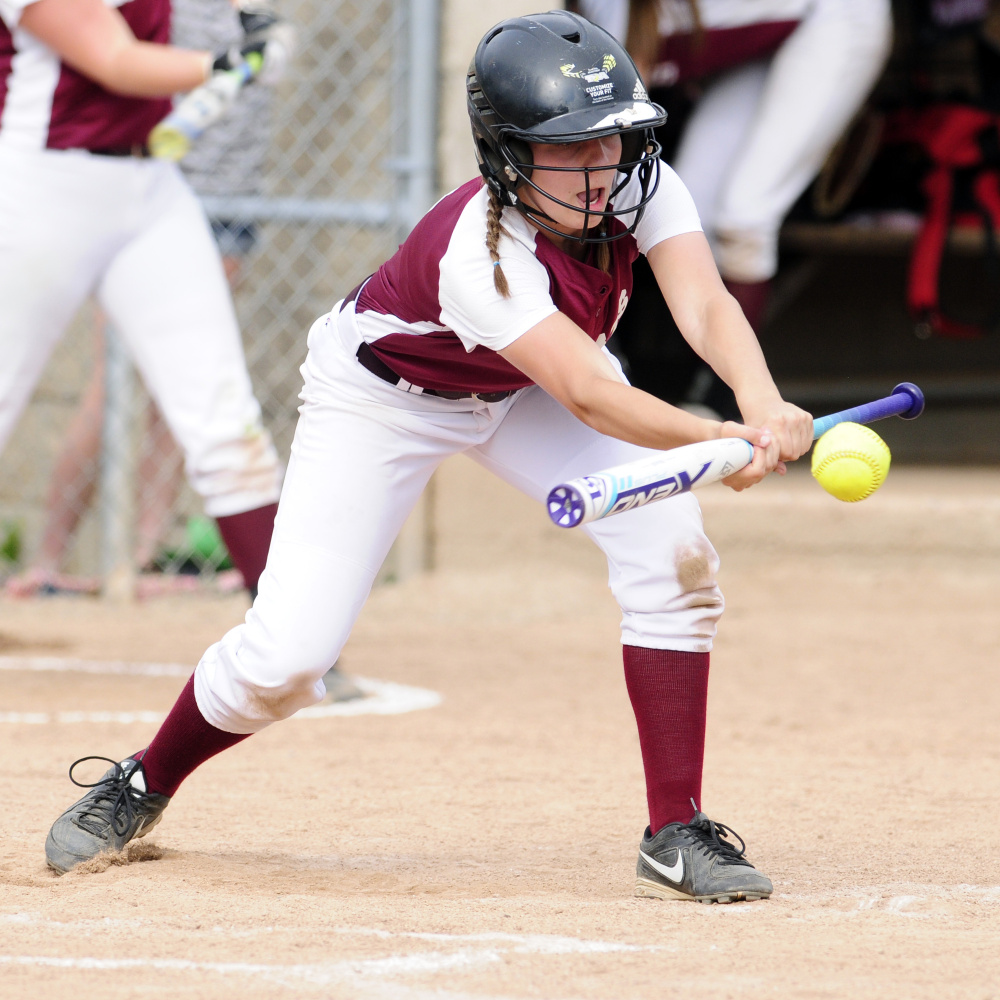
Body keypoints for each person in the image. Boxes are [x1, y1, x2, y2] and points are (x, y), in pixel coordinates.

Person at [43, 11, 813, 904]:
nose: (598, 170)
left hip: (517, 389)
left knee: (673, 547)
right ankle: (145, 779)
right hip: (384, 399)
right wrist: (711, 436)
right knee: (287, 660)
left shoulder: (639, 187)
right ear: (506, 153)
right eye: (566, 149)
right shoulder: (475, 252)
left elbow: (707, 305)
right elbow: (591, 394)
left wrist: (759, 405)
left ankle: (675, 830)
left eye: (612, 142)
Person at [0, 0, 293, 603]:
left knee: (225, 423)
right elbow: (114, 59)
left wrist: (253, 25)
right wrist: (228, 62)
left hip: (149, 188)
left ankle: (294, 643)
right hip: (42, 188)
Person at [574, 0, 892, 415]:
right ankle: (678, 387)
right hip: (763, 49)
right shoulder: (597, 13)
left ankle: (727, 399)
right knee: (686, 210)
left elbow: (619, 106)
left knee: (745, 219)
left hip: (834, 19)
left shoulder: (612, 15)